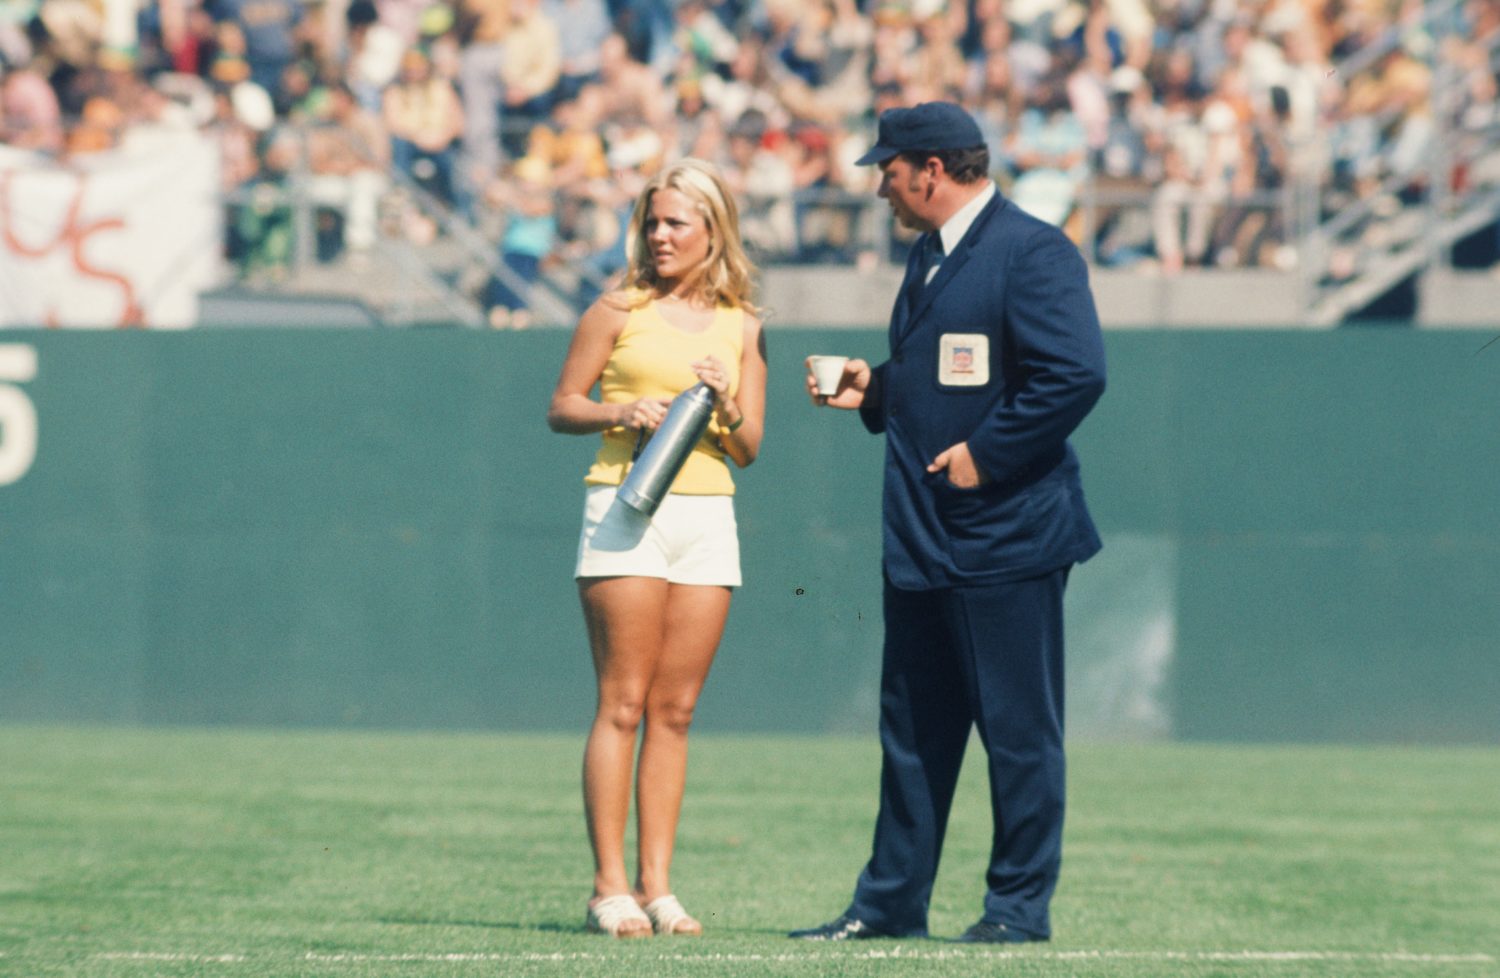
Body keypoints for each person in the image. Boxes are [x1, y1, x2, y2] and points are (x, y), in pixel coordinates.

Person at [790, 101, 1106, 944]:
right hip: (926, 537)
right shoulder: (933, 253)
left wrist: (988, 453)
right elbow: (948, 372)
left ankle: (1016, 912)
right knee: (913, 733)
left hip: (1008, 535)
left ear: (930, 170)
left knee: (1018, 736)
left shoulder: (1033, 250)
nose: (882, 189)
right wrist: (878, 386)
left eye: (888, 172)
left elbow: (1074, 374)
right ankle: (889, 904)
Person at [546, 158, 768, 939]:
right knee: (624, 703)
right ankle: (609, 886)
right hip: (624, 511)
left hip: (707, 521)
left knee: (675, 711)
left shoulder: (743, 324)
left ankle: (658, 886)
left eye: (678, 222)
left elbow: (749, 447)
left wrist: (730, 398)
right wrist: (621, 408)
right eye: (654, 221)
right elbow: (561, 407)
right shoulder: (616, 308)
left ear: (714, 232)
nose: (662, 235)